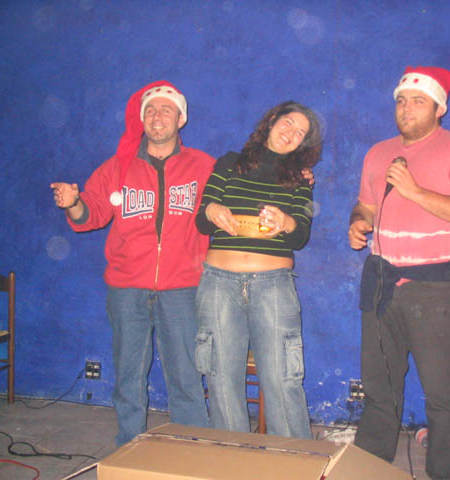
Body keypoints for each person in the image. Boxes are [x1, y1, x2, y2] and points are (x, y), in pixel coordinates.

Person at [50, 81, 215, 446]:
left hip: (183, 288)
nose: (158, 117)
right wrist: (73, 203)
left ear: (181, 119)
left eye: (166, 110)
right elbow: (90, 213)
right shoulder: (118, 166)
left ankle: (193, 451)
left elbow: (238, 193)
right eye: (151, 110)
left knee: (187, 377)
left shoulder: (203, 166)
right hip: (127, 288)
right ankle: (129, 449)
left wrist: (293, 176)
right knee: (128, 378)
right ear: (142, 119)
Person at [348, 66, 450, 479]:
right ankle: (369, 468)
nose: (406, 108)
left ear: (439, 108)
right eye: (401, 100)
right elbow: (366, 205)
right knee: (379, 388)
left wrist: (414, 191)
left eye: (418, 101)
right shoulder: (378, 152)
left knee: (442, 393)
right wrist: (358, 222)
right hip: (381, 282)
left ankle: (446, 473)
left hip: (436, 289)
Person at [194, 100, 322, 439]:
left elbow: (301, 236)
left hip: (273, 284)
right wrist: (212, 211)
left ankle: (295, 462)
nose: (291, 133)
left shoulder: (300, 179)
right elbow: (202, 220)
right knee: (221, 378)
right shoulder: (229, 163)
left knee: (283, 379)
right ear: (272, 121)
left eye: (300, 133)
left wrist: (286, 222)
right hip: (218, 282)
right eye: (288, 123)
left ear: (303, 144)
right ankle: (231, 461)